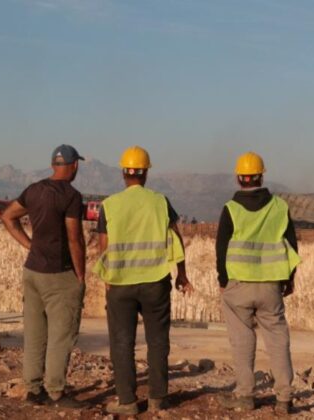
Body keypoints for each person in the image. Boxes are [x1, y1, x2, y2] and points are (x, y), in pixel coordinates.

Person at [93, 145, 193, 415]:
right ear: (146, 173)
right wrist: (181, 274)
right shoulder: (160, 202)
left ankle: (127, 402)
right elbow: (175, 239)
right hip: (155, 282)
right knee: (158, 341)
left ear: (124, 173)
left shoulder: (110, 205)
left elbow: (104, 248)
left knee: (122, 342)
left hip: (120, 284)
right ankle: (158, 399)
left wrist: (108, 282)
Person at [1, 144, 88, 408]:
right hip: (58, 274)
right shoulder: (72, 196)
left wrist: (29, 245)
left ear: (53, 165)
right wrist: (81, 277)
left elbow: (8, 217)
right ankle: (56, 392)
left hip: (32, 271)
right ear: (74, 166)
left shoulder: (34, 189)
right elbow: (74, 239)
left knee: (35, 334)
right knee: (61, 336)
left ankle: (33, 389)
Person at [215, 151, 301, 415]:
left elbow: (221, 248)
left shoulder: (231, 210)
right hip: (271, 285)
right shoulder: (279, 207)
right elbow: (291, 246)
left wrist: (223, 280)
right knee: (277, 339)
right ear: (261, 176)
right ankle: (284, 399)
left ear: (239, 178)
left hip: (238, 285)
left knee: (242, 339)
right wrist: (289, 279)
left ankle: (245, 394)